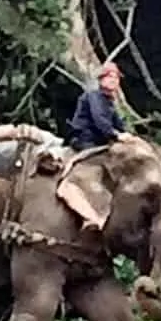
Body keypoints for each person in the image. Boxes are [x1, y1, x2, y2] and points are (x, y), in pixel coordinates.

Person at [57, 62, 134, 232]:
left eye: (117, 78)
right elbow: (101, 122)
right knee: (85, 178)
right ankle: (88, 214)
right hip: (85, 141)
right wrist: (117, 135)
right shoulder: (93, 97)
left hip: (101, 144)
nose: (114, 81)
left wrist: (130, 137)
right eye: (110, 77)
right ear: (101, 79)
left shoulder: (109, 103)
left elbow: (119, 125)